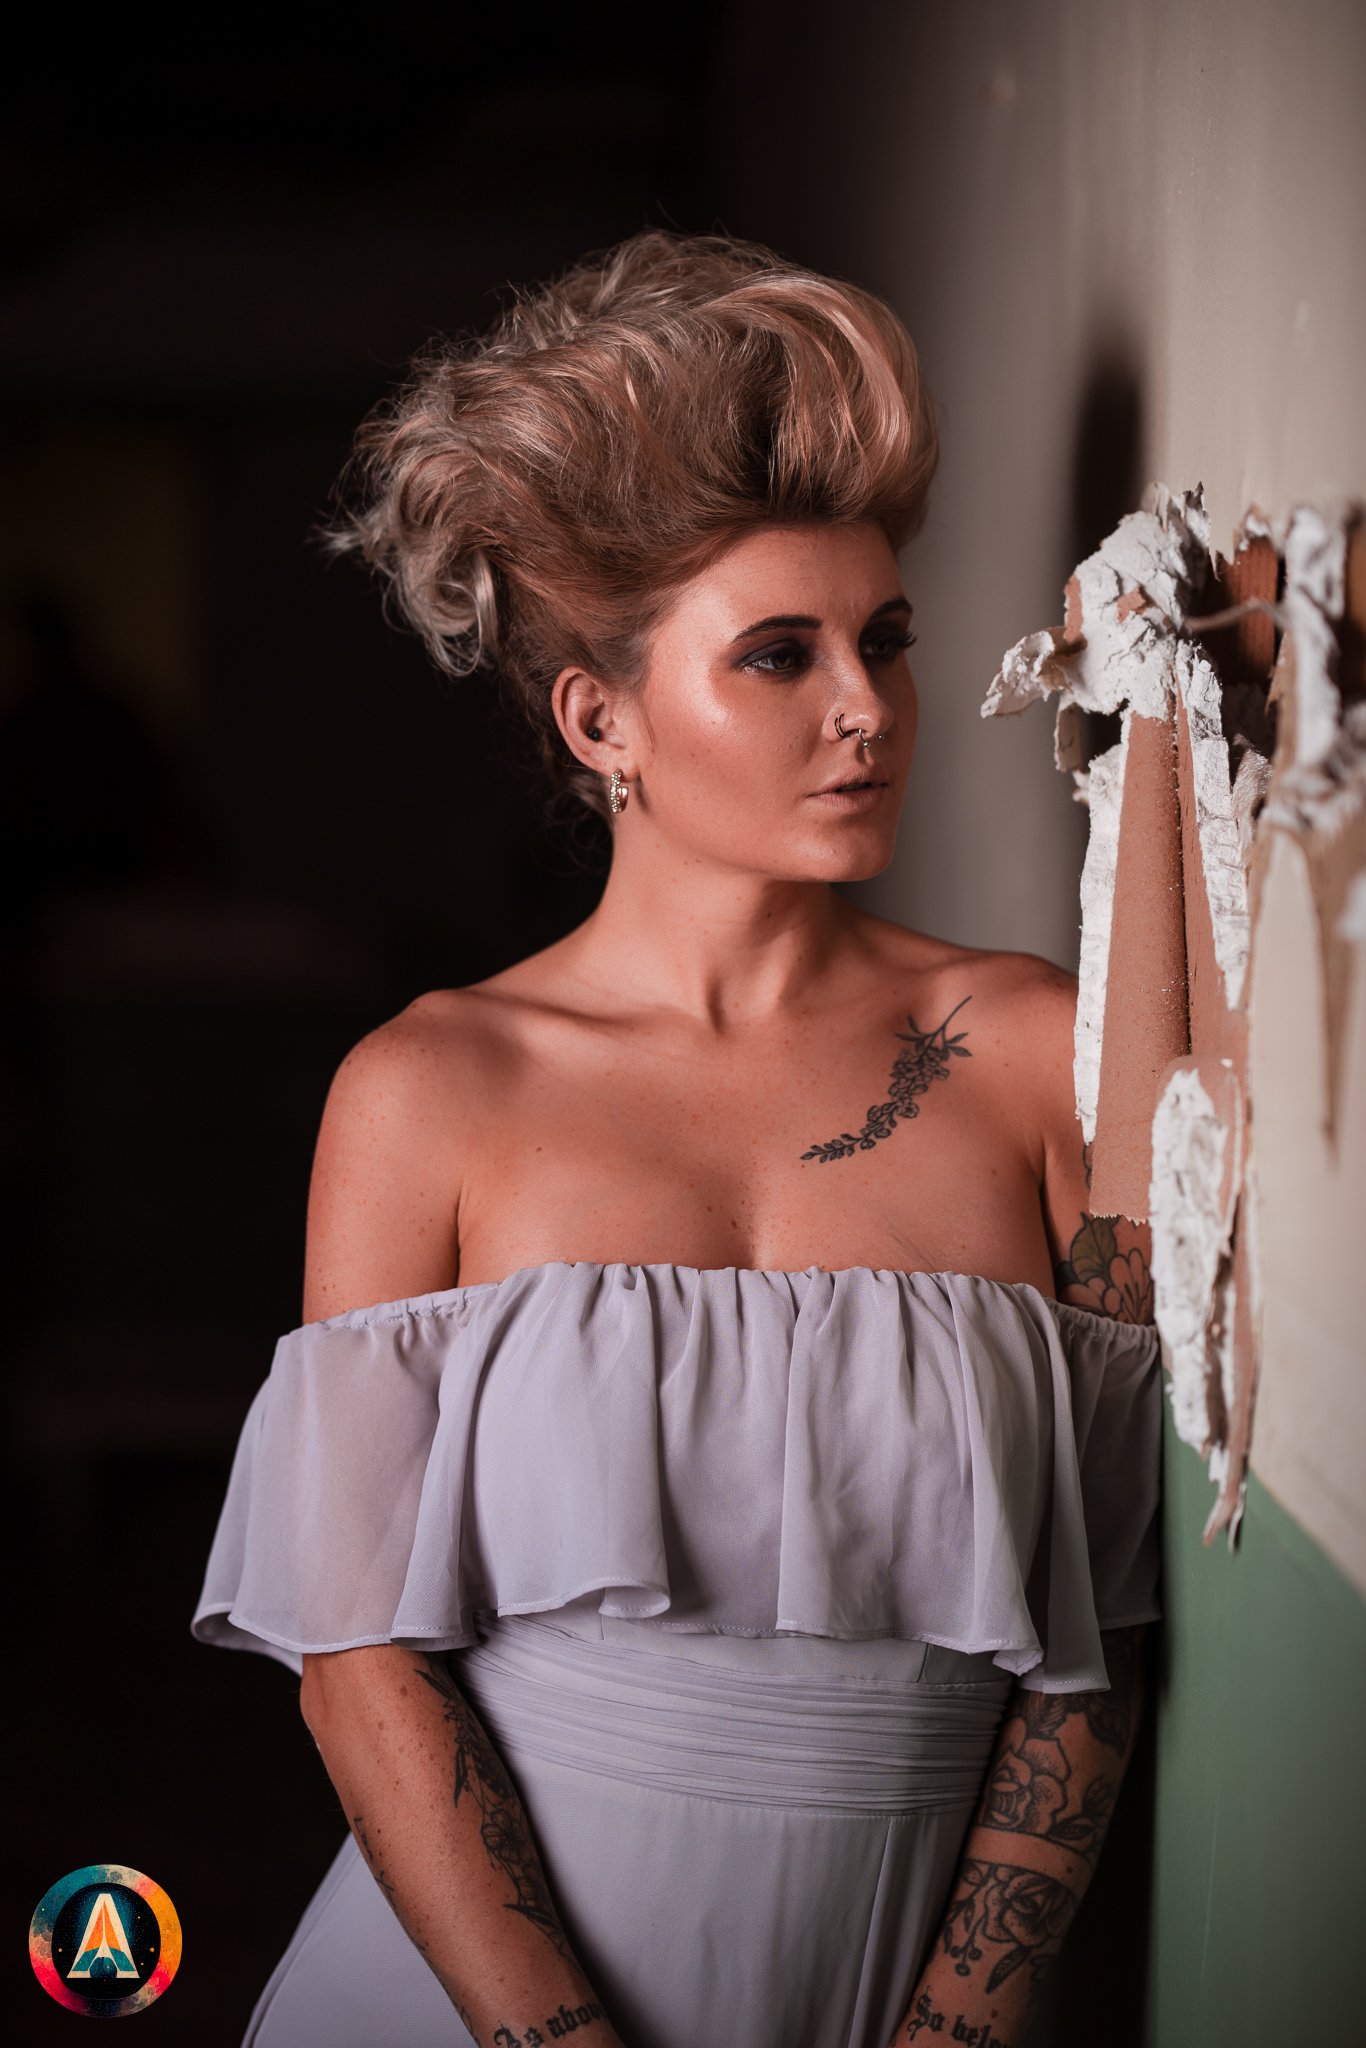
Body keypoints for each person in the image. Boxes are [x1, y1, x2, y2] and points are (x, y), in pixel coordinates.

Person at [193, 229, 1161, 2048]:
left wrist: (963, 2019)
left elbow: (1103, 1633)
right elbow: (354, 1660)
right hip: (458, 2008)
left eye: (880, 640)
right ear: (601, 720)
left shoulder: (1034, 1048)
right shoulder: (428, 1088)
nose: (866, 709)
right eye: (779, 658)